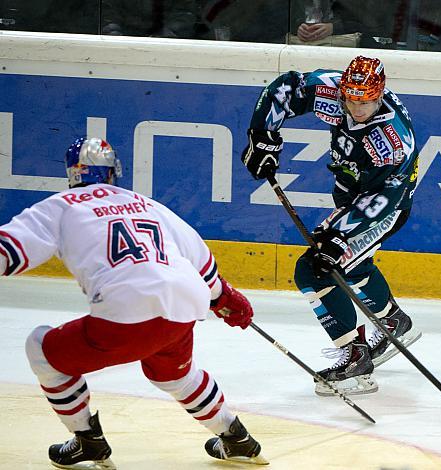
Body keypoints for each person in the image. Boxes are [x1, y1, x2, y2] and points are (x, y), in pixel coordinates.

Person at [0, 137, 268, 468]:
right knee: (174, 376)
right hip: (182, 303)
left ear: (72, 173)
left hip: (124, 311)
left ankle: (88, 441)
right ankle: (236, 437)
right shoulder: (145, 203)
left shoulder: (60, 206)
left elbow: (9, 252)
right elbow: (199, 256)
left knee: (42, 350)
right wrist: (222, 297)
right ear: (114, 172)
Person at [241, 56, 422, 396]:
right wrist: (263, 135)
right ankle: (394, 322)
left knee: (314, 269)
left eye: (365, 101)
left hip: (382, 207)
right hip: (351, 191)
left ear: (379, 95)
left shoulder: (391, 140)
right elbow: (286, 88)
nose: (357, 107)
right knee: (353, 265)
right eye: (351, 99)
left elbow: (385, 196)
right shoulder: (333, 88)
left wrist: (340, 236)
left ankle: (354, 357)